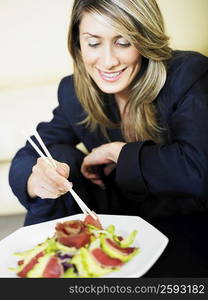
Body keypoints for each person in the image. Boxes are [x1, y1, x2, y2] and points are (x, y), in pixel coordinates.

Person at [9, 0, 208, 277]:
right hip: (119, 218)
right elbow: (32, 150)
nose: (108, 61)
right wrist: (37, 179)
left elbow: (198, 170)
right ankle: (44, 272)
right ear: (78, 44)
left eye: (124, 42)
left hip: (185, 220)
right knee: (56, 158)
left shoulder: (188, 73)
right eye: (93, 43)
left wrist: (118, 152)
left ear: (145, 38)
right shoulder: (74, 91)